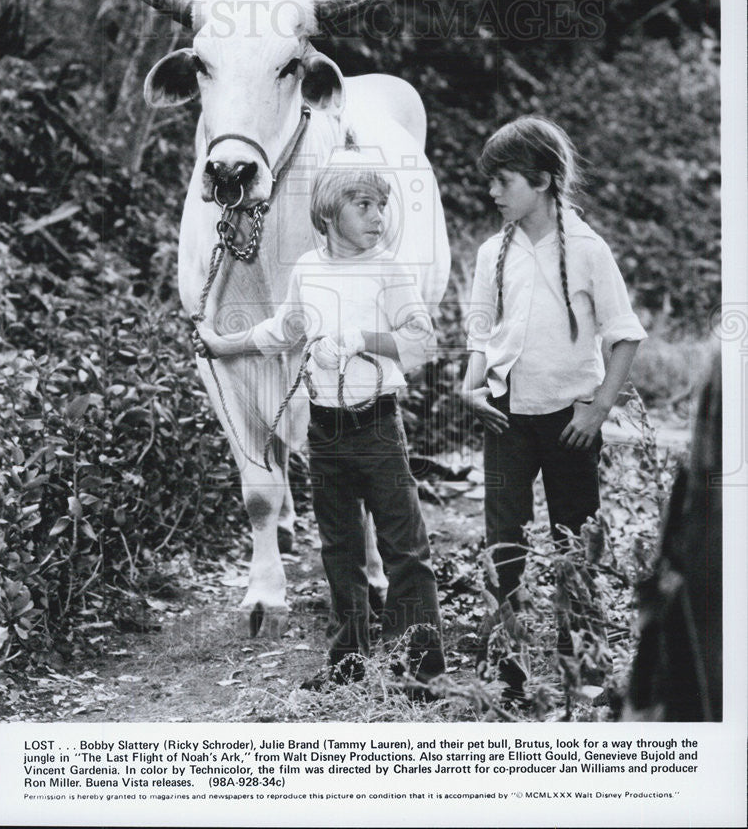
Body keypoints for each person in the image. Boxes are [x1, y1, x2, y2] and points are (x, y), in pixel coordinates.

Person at [197, 155, 446, 692]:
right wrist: (223, 343)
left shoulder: (389, 268)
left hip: (378, 425)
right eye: (365, 205)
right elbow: (284, 328)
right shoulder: (309, 268)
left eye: (382, 205)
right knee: (338, 547)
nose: (379, 216)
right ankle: (347, 660)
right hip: (325, 430)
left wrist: (361, 339)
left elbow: (423, 341)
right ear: (330, 212)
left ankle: (421, 669)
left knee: (405, 547)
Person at [462, 116, 646, 699]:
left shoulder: (589, 249)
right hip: (505, 415)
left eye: (504, 180)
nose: (492, 193)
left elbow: (625, 336)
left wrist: (596, 411)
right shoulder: (493, 251)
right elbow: (480, 332)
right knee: (503, 538)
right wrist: (471, 387)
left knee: (575, 534)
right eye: (490, 181)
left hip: (571, 419)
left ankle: (582, 661)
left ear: (542, 179)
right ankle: (506, 662)